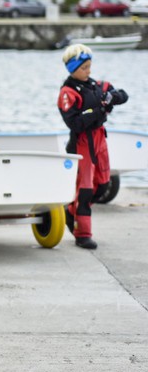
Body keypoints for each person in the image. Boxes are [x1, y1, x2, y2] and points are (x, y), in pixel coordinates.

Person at [58, 44, 128, 250]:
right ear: (72, 69)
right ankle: (82, 233)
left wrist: (112, 98)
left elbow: (122, 95)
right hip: (82, 143)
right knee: (86, 190)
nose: (88, 71)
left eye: (90, 66)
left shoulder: (97, 85)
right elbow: (75, 122)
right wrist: (99, 109)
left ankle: (71, 212)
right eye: (84, 68)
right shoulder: (68, 92)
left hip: (100, 140)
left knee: (103, 184)